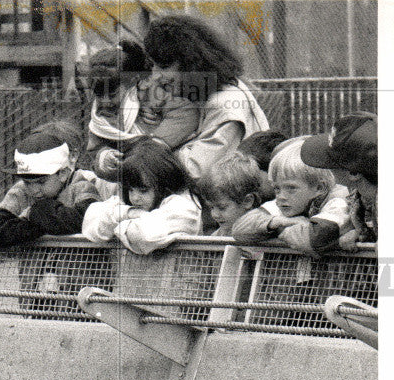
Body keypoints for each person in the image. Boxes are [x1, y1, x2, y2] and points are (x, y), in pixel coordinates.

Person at [141, 14, 269, 185]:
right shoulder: (206, 92)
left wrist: (146, 154)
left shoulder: (224, 104)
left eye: (163, 66)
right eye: (153, 66)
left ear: (190, 64)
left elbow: (197, 171)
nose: (155, 76)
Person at [85, 40, 200, 181]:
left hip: (165, 164)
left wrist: (156, 143)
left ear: (131, 82)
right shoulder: (99, 115)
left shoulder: (150, 93)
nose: (106, 102)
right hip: (129, 174)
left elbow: (186, 112)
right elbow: (95, 148)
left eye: (113, 94)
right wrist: (104, 158)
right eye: (99, 95)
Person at [0, 127, 101, 250]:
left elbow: (85, 222)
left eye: (41, 182)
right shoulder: (21, 190)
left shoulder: (81, 186)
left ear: (63, 173)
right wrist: (44, 222)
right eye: (28, 182)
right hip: (34, 268)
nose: (34, 190)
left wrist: (32, 214)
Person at [82, 139, 201, 254]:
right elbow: (90, 222)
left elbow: (143, 234)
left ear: (165, 182)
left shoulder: (185, 205)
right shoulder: (133, 206)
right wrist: (129, 213)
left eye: (143, 190)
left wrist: (115, 223)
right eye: (130, 190)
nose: (134, 198)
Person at [232, 138, 349, 255]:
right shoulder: (286, 203)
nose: (281, 196)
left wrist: (277, 230)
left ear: (319, 188)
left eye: (291, 188)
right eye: (277, 188)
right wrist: (279, 221)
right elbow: (239, 230)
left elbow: (312, 240)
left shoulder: (338, 201)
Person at [300, 112, 378, 246]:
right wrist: (361, 234)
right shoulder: (362, 197)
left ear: (353, 173)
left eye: (332, 163)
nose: (327, 168)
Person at [197, 153, 265, 235]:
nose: (214, 214)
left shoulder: (263, 230)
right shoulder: (219, 234)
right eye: (211, 207)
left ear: (248, 201)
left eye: (222, 207)